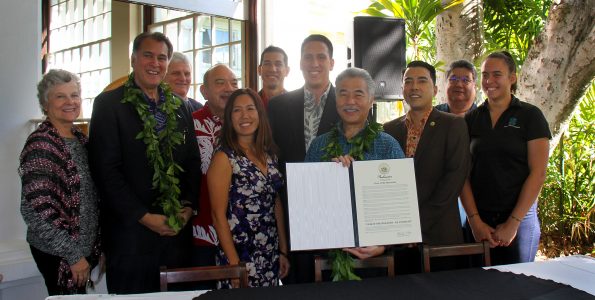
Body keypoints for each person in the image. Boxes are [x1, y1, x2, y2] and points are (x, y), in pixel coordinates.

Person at [88, 32, 201, 294]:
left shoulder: (179, 106)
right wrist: (144, 217)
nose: (155, 63)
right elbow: (106, 172)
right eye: (148, 55)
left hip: (176, 236)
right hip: (130, 237)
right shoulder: (108, 105)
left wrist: (187, 207)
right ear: (133, 59)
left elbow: (192, 163)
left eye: (162, 58)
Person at [305, 67, 405, 265]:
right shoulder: (319, 145)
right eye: (343, 94)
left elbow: (402, 205)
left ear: (371, 99)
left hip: (378, 262)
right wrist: (329, 178)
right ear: (336, 100)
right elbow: (307, 202)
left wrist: (384, 244)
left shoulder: (387, 145)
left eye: (358, 94)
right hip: (328, 260)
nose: (350, 101)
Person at [460, 51, 550, 265]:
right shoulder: (471, 118)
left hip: (519, 223)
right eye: (485, 75)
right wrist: (474, 222)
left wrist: (513, 223)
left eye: (497, 74)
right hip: (478, 224)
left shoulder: (531, 116)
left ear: (512, 78)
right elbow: (462, 174)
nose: (489, 81)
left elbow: (538, 173)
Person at [19, 69, 101, 295]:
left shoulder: (82, 140)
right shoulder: (41, 146)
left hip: (82, 250)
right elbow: (34, 212)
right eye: (60, 96)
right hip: (59, 254)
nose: (70, 102)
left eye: (74, 95)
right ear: (46, 104)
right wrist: (73, 256)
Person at [383, 61, 470, 272]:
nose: (414, 87)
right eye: (408, 81)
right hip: (398, 241)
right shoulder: (389, 129)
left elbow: (453, 181)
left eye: (422, 81)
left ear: (435, 89)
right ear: (402, 88)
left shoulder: (454, 125)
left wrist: (415, 226)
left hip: (439, 237)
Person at [268, 34, 340, 284]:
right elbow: (270, 158)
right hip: (290, 214)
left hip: (335, 214)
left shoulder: (349, 103)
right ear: (299, 63)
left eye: (321, 57)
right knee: (297, 286)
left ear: (331, 62)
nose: (314, 63)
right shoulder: (277, 106)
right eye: (308, 57)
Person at [208, 88, 290, 287]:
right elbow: (217, 216)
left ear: (260, 114)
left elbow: (275, 202)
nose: (245, 115)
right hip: (238, 255)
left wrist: (283, 250)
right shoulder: (224, 158)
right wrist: (234, 266)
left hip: (269, 254)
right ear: (229, 117)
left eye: (250, 108)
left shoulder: (269, 153)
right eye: (237, 110)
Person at [190, 64, 239, 271]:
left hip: (241, 232)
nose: (229, 88)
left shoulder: (244, 125)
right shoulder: (189, 124)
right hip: (202, 232)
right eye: (220, 83)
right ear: (204, 91)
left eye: (234, 83)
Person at [435, 59, 478, 226]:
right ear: (445, 84)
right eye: (453, 79)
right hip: (440, 199)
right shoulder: (432, 116)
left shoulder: (484, 118)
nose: (458, 84)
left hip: (476, 198)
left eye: (466, 80)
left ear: (475, 86)